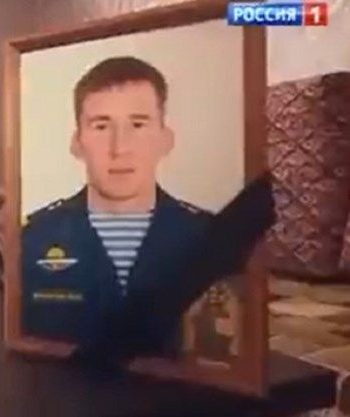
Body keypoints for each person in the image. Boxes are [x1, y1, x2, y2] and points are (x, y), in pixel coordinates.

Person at [19, 56, 275, 365]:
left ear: (165, 139)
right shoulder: (31, 238)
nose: (119, 148)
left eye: (138, 125)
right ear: (77, 142)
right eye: (101, 126)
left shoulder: (211, 238)